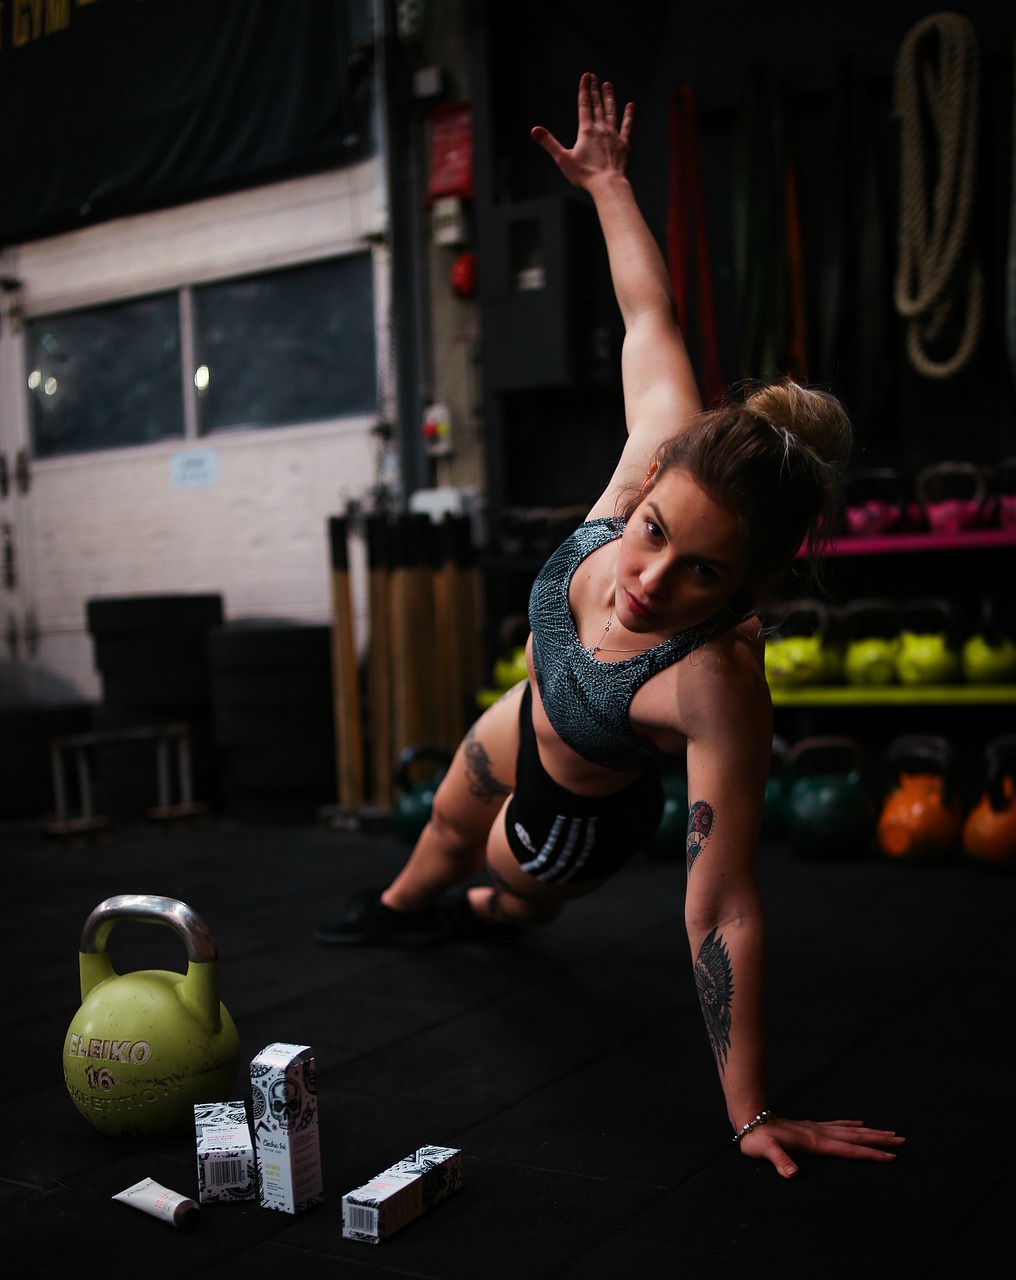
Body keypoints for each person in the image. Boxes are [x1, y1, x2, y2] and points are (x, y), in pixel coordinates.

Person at [317, 72, 904, 1178]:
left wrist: (749, 1109)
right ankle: (400, 905)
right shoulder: (660, 455)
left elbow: (724, 904)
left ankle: (491, 909)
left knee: (497, 882)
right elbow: (649, 313)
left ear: (756, 579)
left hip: (581, 808)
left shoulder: (716, 682)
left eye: (701, 573)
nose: (646, 579)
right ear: (652, 481)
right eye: (647, 533)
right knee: (444, 813)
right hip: (530, 710)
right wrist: (607, 184)